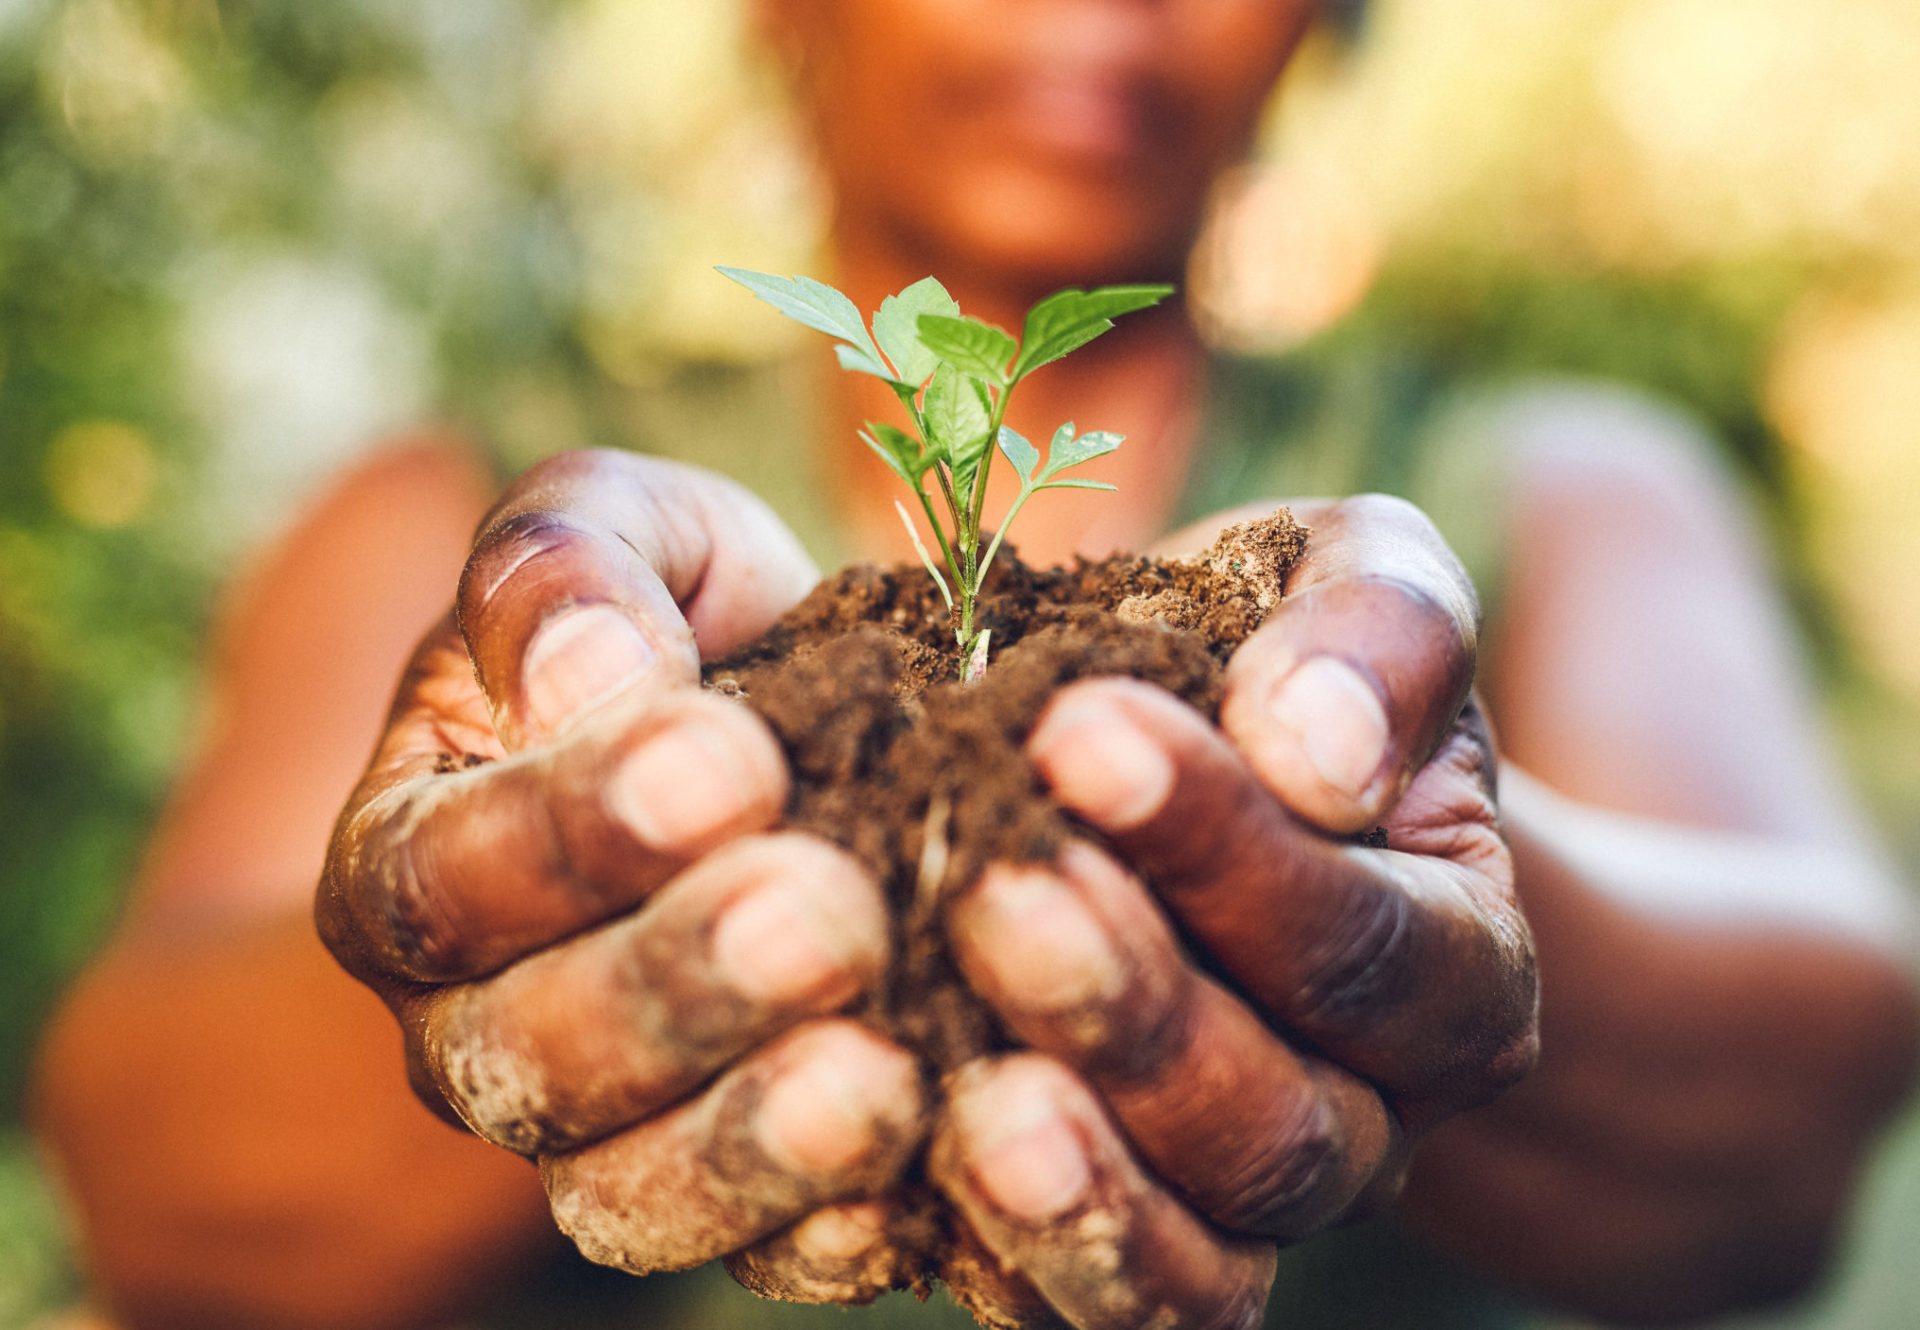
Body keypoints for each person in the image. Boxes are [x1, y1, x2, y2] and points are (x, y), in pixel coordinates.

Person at [30, 1, 1920, 1327]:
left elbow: (1798, 1119)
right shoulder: (476, 501)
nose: (1094, 11)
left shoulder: (1546, 483)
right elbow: (160, 1175)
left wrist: (1364, 872)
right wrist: (559, 884)